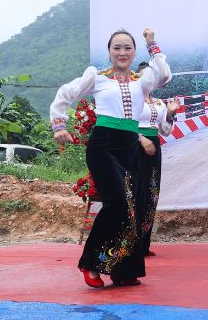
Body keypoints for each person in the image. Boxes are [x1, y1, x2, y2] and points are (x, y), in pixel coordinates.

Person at [51, 28, 171, 288]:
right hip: (103, 146)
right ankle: (91, 263)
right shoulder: (97, 76)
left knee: (131, 209)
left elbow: (164, 73)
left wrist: (152, 44)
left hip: (130, 147)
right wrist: (59, 125)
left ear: (134, 52)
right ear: (109, 52)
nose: (122, 52)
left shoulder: (143, 80)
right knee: (116, 201)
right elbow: (65, 94)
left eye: (128, 47)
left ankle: (123, 270)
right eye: (117, 47)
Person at [135, 61, 179, 257]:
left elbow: (166, 131)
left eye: (152, 77)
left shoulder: (159, 103)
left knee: (151, 193)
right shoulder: (131, 99)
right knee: (136, 193)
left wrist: (170, 112)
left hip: (154, 148)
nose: (149, 81)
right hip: (134, 146)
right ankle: (132, 242)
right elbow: (125, 123)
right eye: (145, 76)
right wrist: (140, 138)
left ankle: (144, 244)